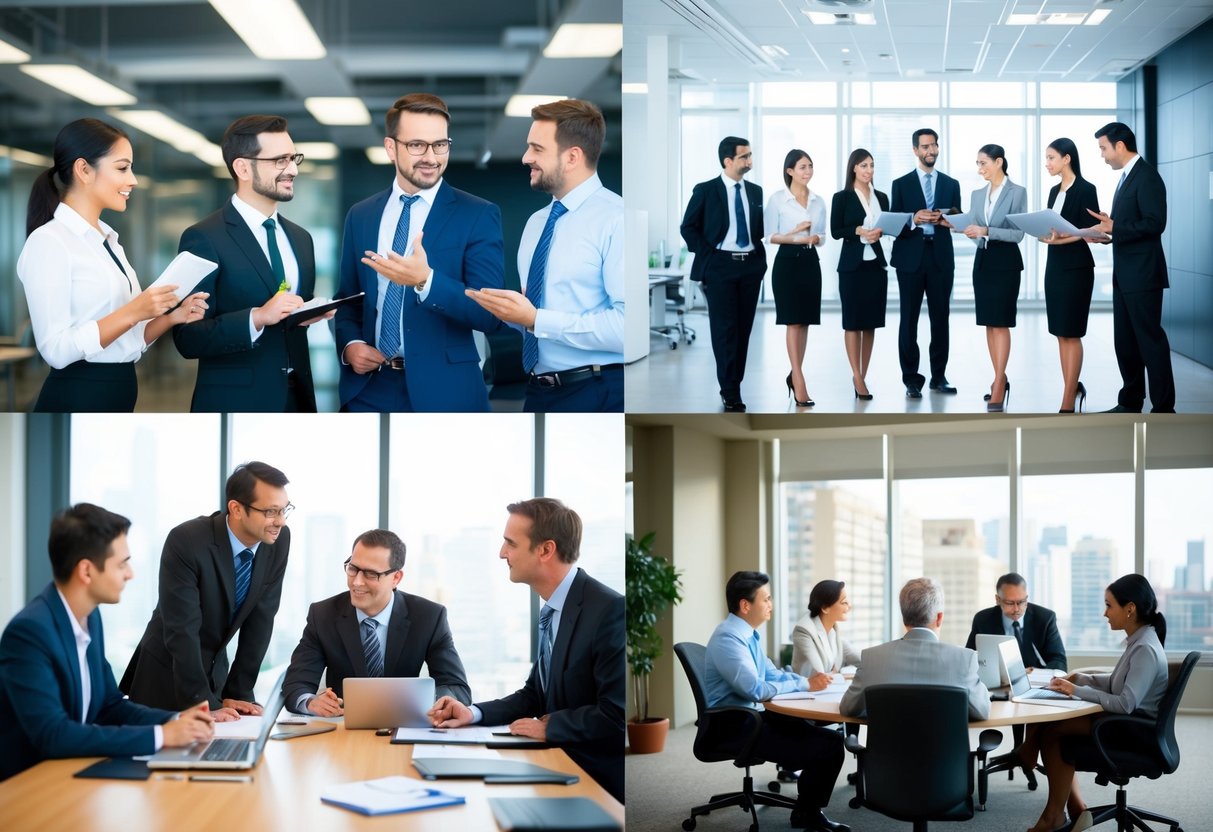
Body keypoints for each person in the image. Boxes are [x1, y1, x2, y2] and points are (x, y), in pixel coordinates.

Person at [427, 499, 623, 803]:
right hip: (553, 760)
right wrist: (473, 712)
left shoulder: (608, 610)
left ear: (545, 550)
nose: (502, 553)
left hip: (592, 776)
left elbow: (616, 714)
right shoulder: (554, 609)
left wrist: (550, 727)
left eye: (510, 543)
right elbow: (534, 694)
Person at [0, 504, 213, 781]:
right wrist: (161, 736)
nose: (130, 573)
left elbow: (108, 705)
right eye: (122, 563)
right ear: (87, 571)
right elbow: (53, 734)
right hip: (28, 787)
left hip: (71, 776)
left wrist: (175, 721)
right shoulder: (30, 633)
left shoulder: (89, 617)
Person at [16, 118, 208, 411]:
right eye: (122, 168)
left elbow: (129, 340)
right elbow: (55, 350)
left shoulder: (109, 241)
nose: (133, 180)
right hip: (78, 393)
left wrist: (171, 317)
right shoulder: (50, 241)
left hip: (120, 387)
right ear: (83, 170)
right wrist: (134, 310)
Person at [336, 93, 505, 412]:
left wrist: (426, 281)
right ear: (391, 148)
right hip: (369, 389)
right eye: (417, 145)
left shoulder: (478, 214)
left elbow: (491, 314)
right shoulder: (361, 215)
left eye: (440, 145)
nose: (431, 156)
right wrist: (350, 346)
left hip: (447, 390)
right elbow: (347, 298)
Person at [466, 99, 624, 412]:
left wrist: (536, 319)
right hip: (538, 392)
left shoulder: (617, 219)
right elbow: (537, 315)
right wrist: (510, 313)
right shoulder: (536, 223)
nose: (526, 158)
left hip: (598, 392)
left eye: (536, 148)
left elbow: (626, 329)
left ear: (572, 157)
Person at [173, 115, 328, 412]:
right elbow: (187, 339)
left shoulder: (301, 239)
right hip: (236, 403)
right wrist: (256, 317)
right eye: (280, 160)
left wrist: (306, 313)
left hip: (299, 402)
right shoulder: (204, 238)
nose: (293, 169)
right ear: (243, 168)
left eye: (294, 158)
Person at [121, 462, 291, 720]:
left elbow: (262, 618)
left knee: (223, 754)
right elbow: (182, 629)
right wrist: (202, 703)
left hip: (214, 678)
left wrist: (240, 692)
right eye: (270, 511)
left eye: (284, 510)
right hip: (166, 677)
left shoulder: (277, 542)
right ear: (236, 508)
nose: (279, 521)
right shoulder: (187, 541)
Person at [1020, 574, 1169, 832]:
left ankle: (1054, 813)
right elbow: (1117, 682)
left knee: (1054, 732)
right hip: (1128, 722)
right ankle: (1075, 810)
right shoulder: (1140, 640)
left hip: (1133, 730)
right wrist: (1082, 679)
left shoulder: (1145, 648)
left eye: (1109, 605)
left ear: (1130, 609)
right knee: (1053, 726)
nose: (1105, 613)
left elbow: (1125, 703)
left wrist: (1077, 690)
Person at [702, 571, 848, 831]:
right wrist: (804, 683)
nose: (771, 605)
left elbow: (771, 673)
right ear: (746, 606)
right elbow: (755, 689)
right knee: (825, 748)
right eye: (766, 599)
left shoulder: (749, 635)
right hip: (736, 726)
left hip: (756, 717)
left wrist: (798, 681)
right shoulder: (728, 639)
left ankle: (806, 809)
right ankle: (809, 813)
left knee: (832, 740)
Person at [283, 529, 471, 715]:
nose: (356, 582)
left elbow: (457, 687)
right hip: (342, 729)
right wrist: (310, 702)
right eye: (353, 569)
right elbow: (295, 684)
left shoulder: (429, 617)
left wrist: (432, 702)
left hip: (405, 726)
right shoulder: (323, 615)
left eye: (370, 574)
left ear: (396, 578)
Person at [1087, 122, 1176, 413]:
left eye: (1103, 148)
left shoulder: (1147, 177)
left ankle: (1164, 407)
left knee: (1150, 342)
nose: (1102, 155)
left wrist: (1117, 226)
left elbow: (1155, 223)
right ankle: (1130, 401)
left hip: (1143, 275)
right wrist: (1108, 232)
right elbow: (1129, 226)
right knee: (1125, 342)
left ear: (1120, 146)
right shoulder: (1127, 177)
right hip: (1124, 274)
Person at [680, 136, 766, 412]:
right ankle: (730, 390)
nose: (749, 161)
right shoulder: (706, 190)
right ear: (728, 161)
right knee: (724, 330)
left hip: (750, 266)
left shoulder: (755, 192)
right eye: (744, 156)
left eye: (750, 155)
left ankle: (734, 383)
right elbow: (688, 227)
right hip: (720, 267)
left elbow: (759, 229)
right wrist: (709, 255)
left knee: (743, 330)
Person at [841, 577, 989, 721]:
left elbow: (848, 708)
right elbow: (982, 711)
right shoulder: (964, 659)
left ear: (904, 616)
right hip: (944, 746)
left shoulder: (871, 658)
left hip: (888, 746)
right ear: (939, 618)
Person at [890, 128, 962, 398]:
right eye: (925, 147)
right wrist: (913, 218)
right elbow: (894, 223)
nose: (930, 151)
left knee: (940, 318)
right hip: (910, 258)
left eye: (934, 146)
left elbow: (958, 219)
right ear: (915, 150)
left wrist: (947, 221)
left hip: (941, 257)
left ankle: (938, 376)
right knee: (908, 319)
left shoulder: (951, 184)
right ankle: (911, 379)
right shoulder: (900, 184)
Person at [1038, 138, 1101, 413]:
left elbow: (1090, 232)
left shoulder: (1087, 189)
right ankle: (1072, 387)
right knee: (1061, 333)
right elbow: (1056, 229)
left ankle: (1067, 397)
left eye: (1051, 158)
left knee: (1072, 332)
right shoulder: (1054, 191)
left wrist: (1060, 238)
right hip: (1055, 267)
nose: (1047, 163)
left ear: (1067, 159)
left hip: (1077, 268)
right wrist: (1048, 235)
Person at [963, 144, 1026, 413]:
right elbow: (975, 227)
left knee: (1001, 323)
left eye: (983, 163)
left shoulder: (1017, 192)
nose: (980, 169)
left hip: (1006, 262)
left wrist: (987, 230)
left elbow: (1018, 234)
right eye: (977, 164)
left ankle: (999, 382)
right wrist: (966, 230)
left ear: (999, 161)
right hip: (983, 262)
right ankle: (997, 376)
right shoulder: (977, 194)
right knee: (990, 324)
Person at [764, 149, 827, 408]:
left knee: (805, 322)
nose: (808, 171)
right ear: (790, 171)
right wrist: (797, 233)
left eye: (810, 166)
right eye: (802, 167)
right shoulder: (778, 200)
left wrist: (814, 238)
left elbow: (823, 236)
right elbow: (769, 236)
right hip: (787, 262)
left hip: (811, 262)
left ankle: (794, 372)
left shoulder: (818, 201)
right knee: (792, 322)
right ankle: (799, 379)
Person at [831, 148, 888, 401]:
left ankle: (862, 376)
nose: (868, 170)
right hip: (852, 267)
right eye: (864, 165)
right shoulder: (841, 197)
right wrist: (858, 231)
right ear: (853, 167)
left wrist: (879, 232)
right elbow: (835, 230)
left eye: (872, 166)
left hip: (876, 265)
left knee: (871, 323)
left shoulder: (882, 197)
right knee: (853, 322)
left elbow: (886, 226)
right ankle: (856, 375)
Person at [964, 572, 1066, 672]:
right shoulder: (983, 619)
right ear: (998, 599)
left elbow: (1059, 661)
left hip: (1036, 681)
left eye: (1021, 602)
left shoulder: (1045, 618)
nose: (1016, 609)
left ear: (1026, 598)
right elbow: (969, 659)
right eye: (1010, 603)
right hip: (997, 684)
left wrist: (1037, 674)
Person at [791, 579, 860, 678]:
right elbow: (820, 676)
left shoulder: (833, 631)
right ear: (825, 608)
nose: (849, 606)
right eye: (844, 602)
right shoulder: (804, 631)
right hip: (805, 692)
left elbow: (862, 660)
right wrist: (838, 675)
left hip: (826, 691)